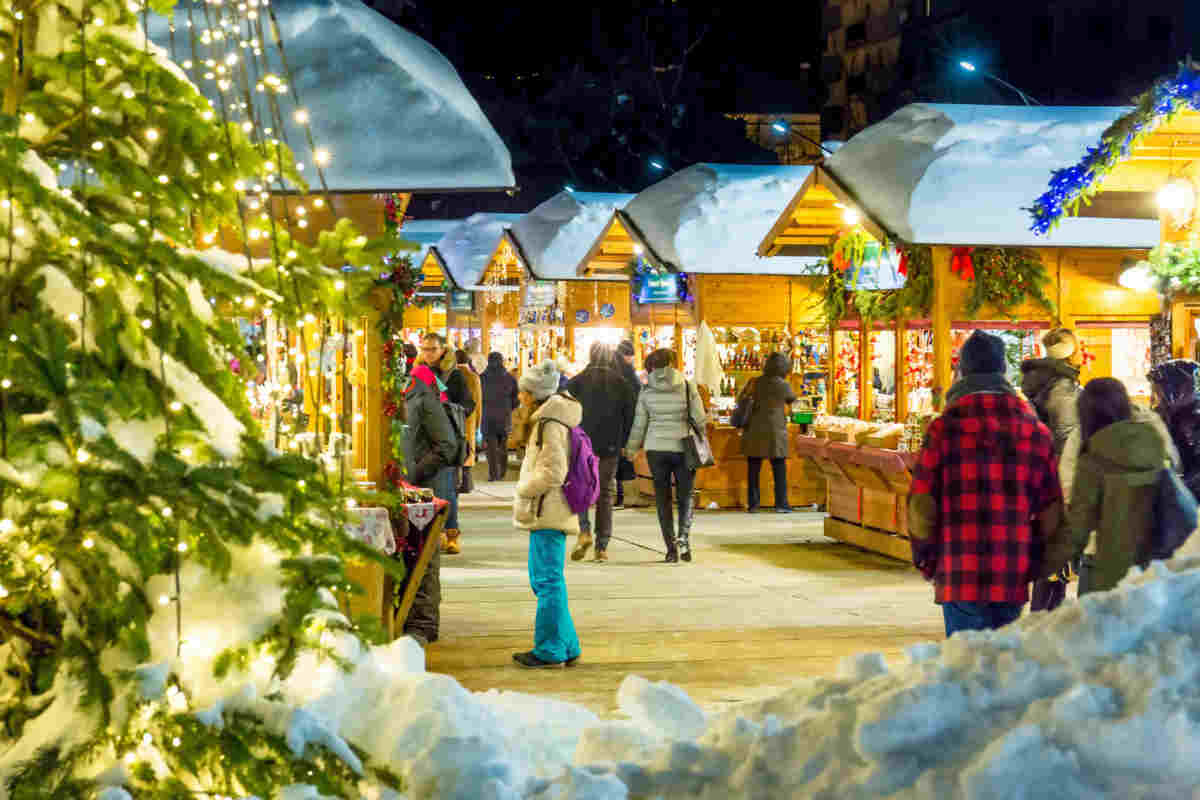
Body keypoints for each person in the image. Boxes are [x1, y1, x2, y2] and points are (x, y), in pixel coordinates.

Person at [908, 330, 1067, 637]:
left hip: (958, 569)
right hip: (1011, 570)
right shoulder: (1034, 430)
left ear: (962, 371)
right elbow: (1051, 508)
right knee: (1000, 666)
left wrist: (925, 556)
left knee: (965, 667)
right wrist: (1045, 563)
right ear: (1003, 371)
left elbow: (922, 504)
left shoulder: (944, 428)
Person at [1060, 378, 1175, 595]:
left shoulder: (1083, 439)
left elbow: (1070, 494)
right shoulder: (1151, 428)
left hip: (1100, 557)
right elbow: (1170, 471)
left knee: (1098, 624)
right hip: (1149, 556)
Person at [511, 360, 583, 668]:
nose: (519, 397)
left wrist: (525, 489)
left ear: (533, 394)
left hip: (549, 509)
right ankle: (567, 643)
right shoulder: (553, 418)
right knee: (549, 579)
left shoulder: (549, 423)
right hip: (553, 509)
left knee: (546, 580)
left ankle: (551, 649)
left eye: (523, 392)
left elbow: (554, 471)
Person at [624, 348, 707, 563]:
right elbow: (699, 418)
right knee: (685, 495)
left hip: (656, 449)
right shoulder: (688, 386)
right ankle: (684, 538)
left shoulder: (646, 390)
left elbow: (639, 423)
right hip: (683, 448)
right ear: (672, 363)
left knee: (662, 498)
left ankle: (670, 550)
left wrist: (632, 449)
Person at [1019, 327, 1081, 611]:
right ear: (1070, 352)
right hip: (1056, 482)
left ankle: (1044, 615)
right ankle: (1044, 618)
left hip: (1039, 479)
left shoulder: (1040, 383)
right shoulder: (1063, 389)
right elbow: (1067, 440)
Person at [401, 363, 458, 647]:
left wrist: (415, 471)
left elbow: (447, 444)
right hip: (406, 488)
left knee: (425, 553)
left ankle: (424, 623)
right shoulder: (403, 398)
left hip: (421, 489)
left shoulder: (423, 399)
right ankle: (411, 618)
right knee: (412, 552)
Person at [566, 342, 636, 562]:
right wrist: (626, 443)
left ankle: (584, 531)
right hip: (610, 445)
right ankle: (602, 546)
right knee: (605, 493)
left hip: (582, 444)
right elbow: (630, 417)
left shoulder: (576, 382)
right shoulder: (621, 383)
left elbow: (564, 409)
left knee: (582, 489)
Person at [419, 333, 475, 556]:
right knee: (425, 487)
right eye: (424, 349)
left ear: (443, 349)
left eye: (432, 349)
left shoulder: (455, 376)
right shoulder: (417, 373)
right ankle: (432, 534)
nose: (427, 353)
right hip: (422, 440)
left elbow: (468, 405)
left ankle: (451, 533)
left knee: (447, 487)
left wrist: (447, 409)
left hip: (447, 440)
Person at [740, 352, 797, 513]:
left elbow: (742, 399)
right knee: (779, 468)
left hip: (754, 429)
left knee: (753, 468)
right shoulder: (783, 384)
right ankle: (781, 504)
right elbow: (792, 399)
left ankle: (753, 504)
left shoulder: (755, 382)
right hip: (775, 430)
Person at [1148, 359, 1200, 497]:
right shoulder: (1165, 416)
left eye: (1158, 391)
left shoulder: (1192, 421)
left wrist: (1177, 488)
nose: (1156, 397)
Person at [480, 352, 519, 481]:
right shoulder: (510, 378)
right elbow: (516, 399)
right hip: (504, 416)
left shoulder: (481, 378)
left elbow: (477, 398)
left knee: (490, 447)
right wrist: (509, 408)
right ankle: (502, 472)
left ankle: (493, 474)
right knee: (503, 445)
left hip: (487, 416)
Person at [614, 340, 641, 509]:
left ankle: (617, 496)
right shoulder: (628, 371)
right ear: (628, 356)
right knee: (625, 457)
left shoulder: (609, 368)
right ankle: (627, 496)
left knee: (614, 458)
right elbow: (637, 393)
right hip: (626, 419)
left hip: (611, 421)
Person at [454, 349, 483, 501]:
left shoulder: (449, 375)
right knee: (468, 447)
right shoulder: (473, 377)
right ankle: (466, 481)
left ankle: (456, 480)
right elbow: (478, 402)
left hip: (453, 416)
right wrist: (478, 422)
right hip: (469, 418)